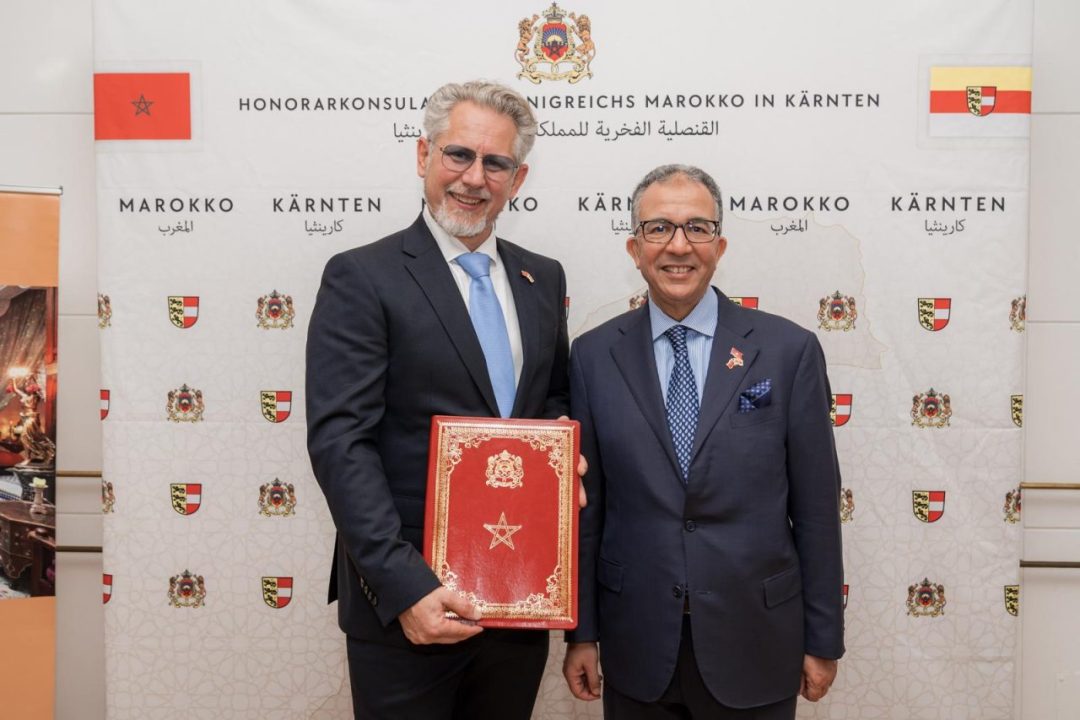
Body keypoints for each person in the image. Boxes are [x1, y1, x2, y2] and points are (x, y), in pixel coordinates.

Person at [306, 80, 570, 720]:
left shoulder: (542, 277)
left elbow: (551, 397)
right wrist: (405, 588)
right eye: (458, 154)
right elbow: (342, 444)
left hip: (518, 598)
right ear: (423, 155)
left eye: (496, 163)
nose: (474, 178)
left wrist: (565, 449)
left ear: (518, 178)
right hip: (408, 607)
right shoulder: (362, 276)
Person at [563, 165, 844, 719]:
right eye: (659, 228)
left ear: (720, 245)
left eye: (697, 227)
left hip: (757, 638)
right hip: (636, 641)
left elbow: (816, 510)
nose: (678, 246)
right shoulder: (592, 356)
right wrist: (582, 633)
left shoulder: (787, 351)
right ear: (634, 248)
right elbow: (587, 512)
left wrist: (823, 638)